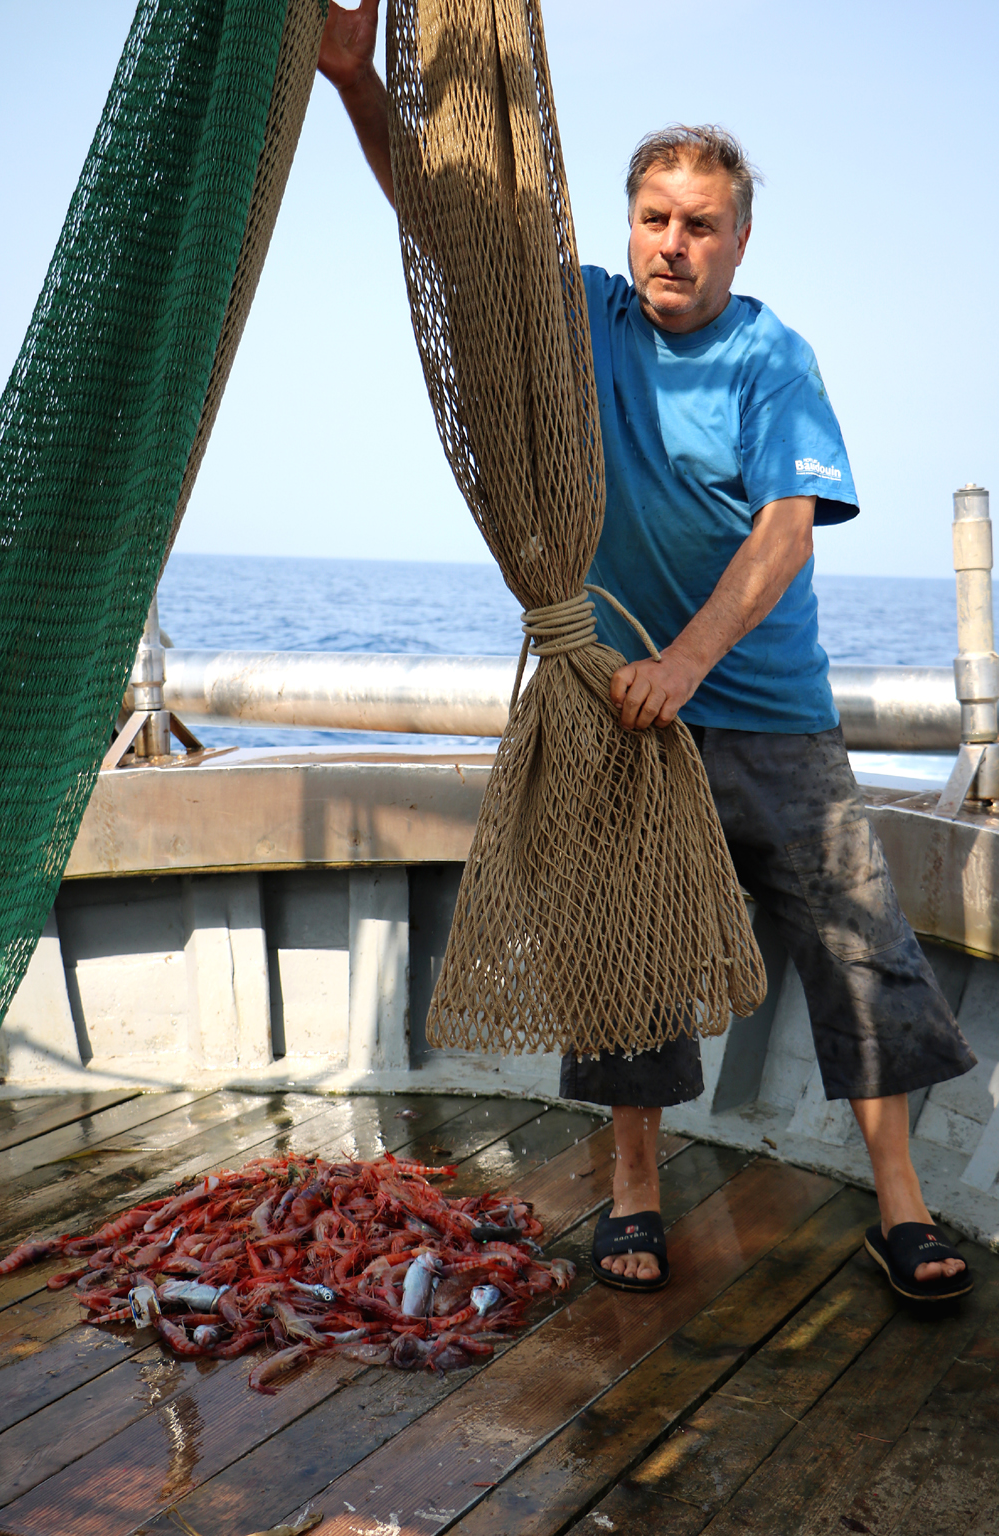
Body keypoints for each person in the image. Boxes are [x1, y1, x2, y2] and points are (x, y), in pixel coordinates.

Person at [317, 0, 977, 1303]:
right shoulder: (584, 324)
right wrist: (353, 86)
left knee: (861, 943)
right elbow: (453, 244)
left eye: (702, 224)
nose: (675, 244)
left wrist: (689, 656)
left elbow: (786, 535)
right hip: (621, 711)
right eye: (655, 219)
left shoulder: (771, 356)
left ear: (740, 238)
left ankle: (898, 1200)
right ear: (630, 225)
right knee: (628, 962)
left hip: (768, 711)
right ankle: (632, 1190)